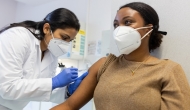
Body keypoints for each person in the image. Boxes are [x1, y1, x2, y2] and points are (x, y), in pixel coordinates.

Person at [50, 2, 190, 110]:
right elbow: (69, 106)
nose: (119, 29)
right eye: (116, 25)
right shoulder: (104, 65)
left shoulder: (168, 70)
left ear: (148, 29)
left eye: (127, 22)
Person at [0, 8, 88, 110]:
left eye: (70, 40)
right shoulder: (17, 37)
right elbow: (7, 88)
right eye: (64, 38)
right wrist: (54, 82)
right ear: (46, 28)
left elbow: (42, 90)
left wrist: (67, 90)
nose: (66, 44)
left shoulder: (52, 53)